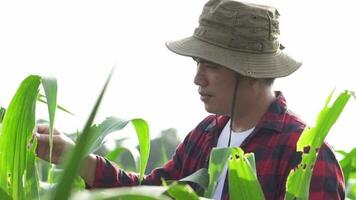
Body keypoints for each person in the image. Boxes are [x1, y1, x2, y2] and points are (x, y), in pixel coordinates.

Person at [35, 0, 345, 199]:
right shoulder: (206, 135)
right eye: (197, 63)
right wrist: (74, 157)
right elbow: (153, 193)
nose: (198, 78)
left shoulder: (305, 153)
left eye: (211, 65)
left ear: (249, 71)